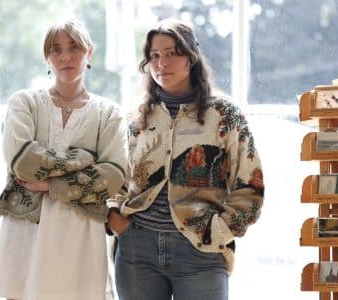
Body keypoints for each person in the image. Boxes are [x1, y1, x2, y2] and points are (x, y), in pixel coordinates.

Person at [107, 18, 264, 300]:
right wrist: (116, 220)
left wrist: (219, 231)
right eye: (154, 56)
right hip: (136, 252)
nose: (161, 63)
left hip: (201, 252)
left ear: (191, 57)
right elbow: (116, 178)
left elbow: (250, 186)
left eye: (171, 53)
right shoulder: (136, 119)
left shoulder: (225, 116)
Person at [0, 17, 127, 300]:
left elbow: (113, 176)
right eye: (56, 49)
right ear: (46, 56)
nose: (65, 56)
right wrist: (84, 160)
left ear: (89, 52)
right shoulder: (24, 102)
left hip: (81, 233)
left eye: (74, 47)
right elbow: (23, 162)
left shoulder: (109, 114)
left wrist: (50, 186)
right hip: (27, 229)